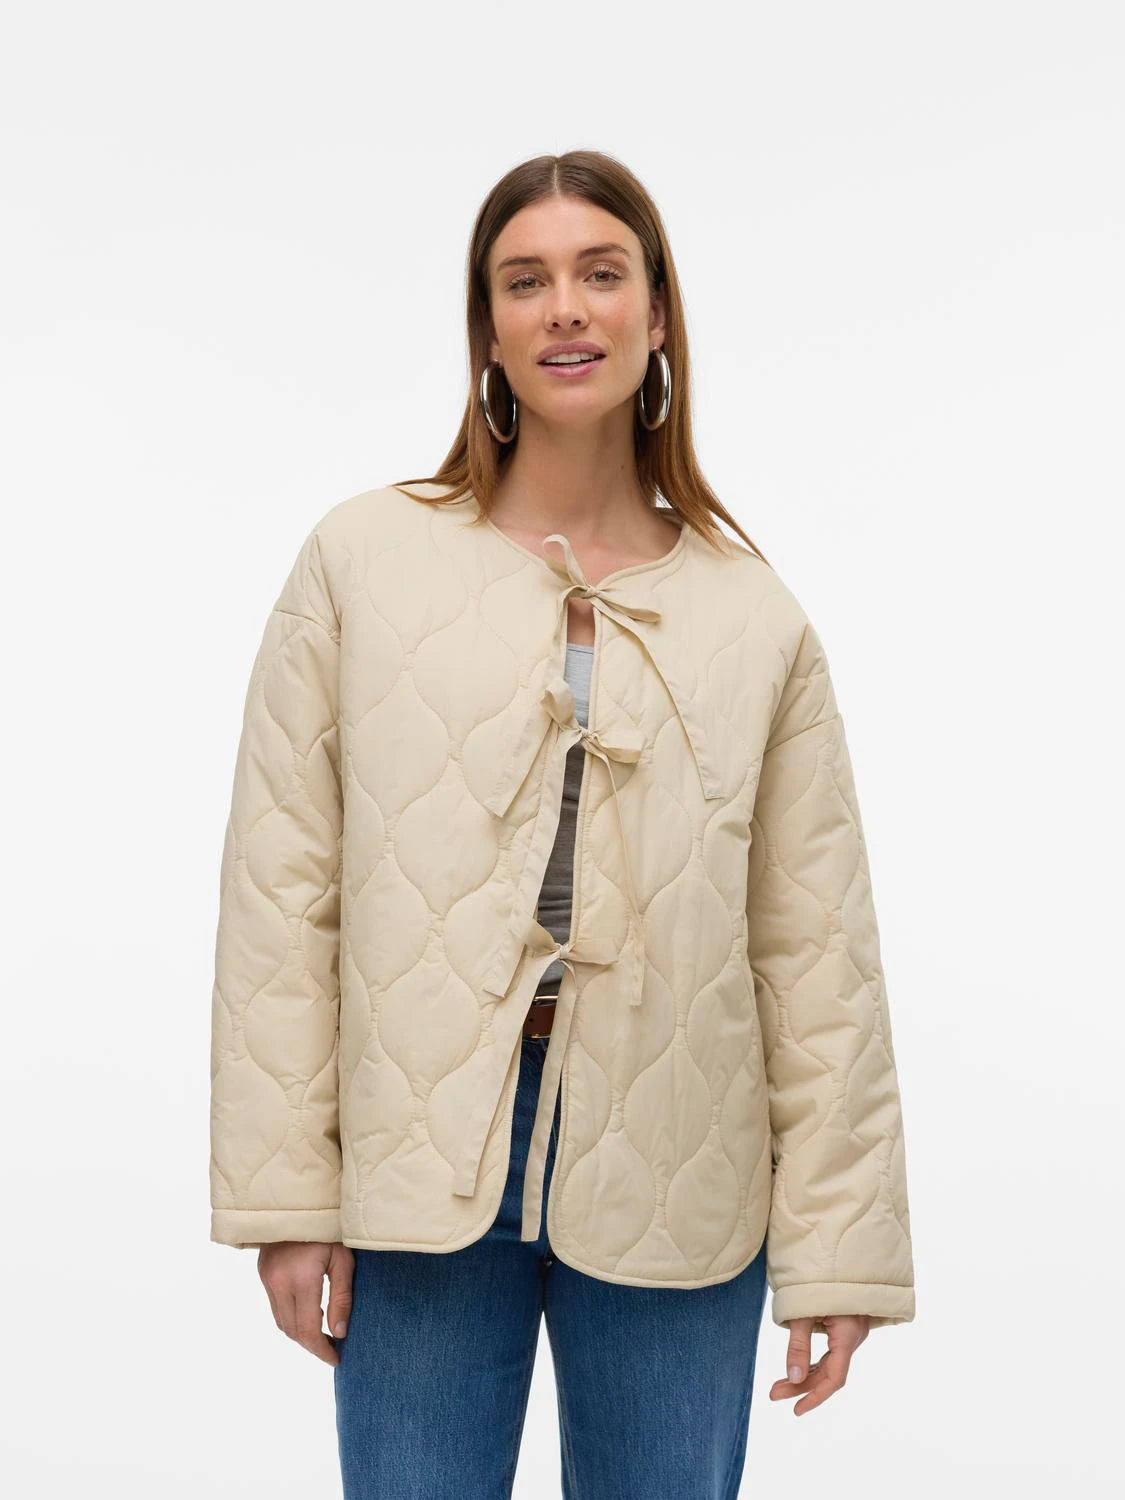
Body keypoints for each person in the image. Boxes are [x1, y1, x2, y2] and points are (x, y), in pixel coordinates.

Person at [208, 149, 915, 1498]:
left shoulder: (755, 618)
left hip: (681, 1161)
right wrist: (288, 1198)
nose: (565, 309)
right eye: (523, 282)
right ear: (487, 328)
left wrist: (840, 1247)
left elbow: (816, 950)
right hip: (417, 1164)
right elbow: (282, 895)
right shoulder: (360, 561)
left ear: (658, 314)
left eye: (601, 273)